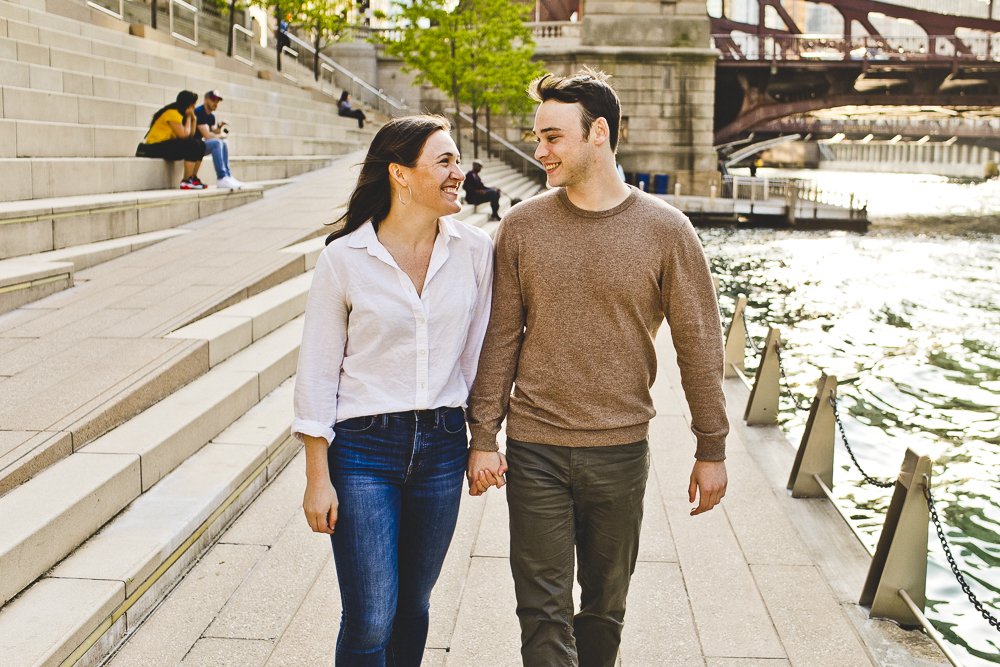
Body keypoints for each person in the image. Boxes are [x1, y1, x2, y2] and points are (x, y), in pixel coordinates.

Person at [466, 68, 730, 667]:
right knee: (541, 610)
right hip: (534, 448)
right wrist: (484, 436)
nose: (540, 151)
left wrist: (711, 448)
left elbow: (698, 347)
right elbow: (501, 337)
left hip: (619, 451)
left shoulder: (666, 231)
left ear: (599, 133)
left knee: (604, 609)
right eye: (538, 136)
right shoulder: (522, 227)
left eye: (553, 137)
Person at [293, 115, 495, 667]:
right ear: (400, 175)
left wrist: (484, 440)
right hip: (362, 450)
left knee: (414, 604)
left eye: (457, 161)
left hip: (443, 444)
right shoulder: (344, 259)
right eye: (445, 162)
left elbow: (479, 357)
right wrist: (317, 478)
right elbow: (316, 371)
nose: (459, 173)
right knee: (370, 614)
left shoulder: (475, 251)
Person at [135, 90, 206, 190]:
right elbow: (184, 135)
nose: (194, 108)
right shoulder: (172, 114)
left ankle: (192, 178)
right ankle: (186, 181)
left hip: (165, 145)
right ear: (188, 105)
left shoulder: (180, 114)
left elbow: (191, 135)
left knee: (201, 144)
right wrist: (189, 117)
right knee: (193, 144)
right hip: (155, 146)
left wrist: (193, 119)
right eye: (193, 105)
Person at [195, 90, 244, 190]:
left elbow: (213, 131)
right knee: (217, 142)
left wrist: (220, 127)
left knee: (224, 143)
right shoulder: (199, 112)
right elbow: (207, 136)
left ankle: (227, 176)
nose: (215, 103)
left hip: (201, 145)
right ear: (206, 100)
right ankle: (221, 178)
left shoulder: (211, 115)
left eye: (217, 101)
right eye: (213, 100)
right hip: (194, 145)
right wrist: (221, 136)